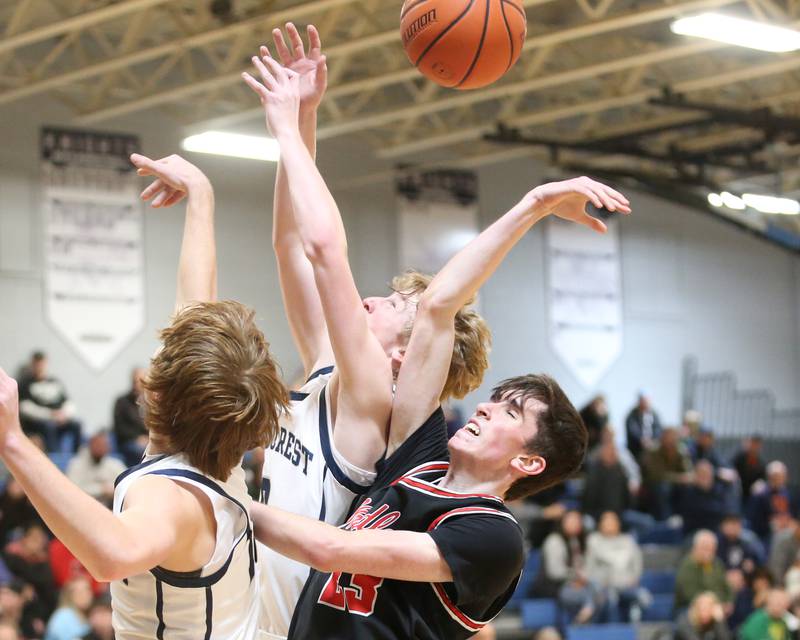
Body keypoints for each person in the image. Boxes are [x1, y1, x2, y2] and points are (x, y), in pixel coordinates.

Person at [243, 25, 628, 639]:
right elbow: (428, 301)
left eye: (510, 413)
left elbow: (333, 551)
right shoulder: (413, 462)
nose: (486, 410)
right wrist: (534, 202)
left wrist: (224, 504)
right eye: (498, 399)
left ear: (528, 459)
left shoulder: (490, 532)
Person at [246, 25, 492, 639]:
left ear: (404, 355)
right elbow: (292, 246)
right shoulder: (334, 362)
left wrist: (282, 127)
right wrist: (305, 118)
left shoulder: (371, 400)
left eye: (390, 304)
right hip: (251, 611)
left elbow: (327, 248)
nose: (371, 299)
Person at [0, 153, 289, 639]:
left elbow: (111, 554)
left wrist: (12, 442)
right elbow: (196, 311)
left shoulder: (167, 496)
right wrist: (200, 197)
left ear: (157, 394)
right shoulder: (221, 454)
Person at [586, 511, 649, 623]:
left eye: (612, 522)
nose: (610, 525)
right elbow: (589, 568)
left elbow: (637, 564)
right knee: (611, 599)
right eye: (607, 522)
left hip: (626, 585)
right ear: (600, 525)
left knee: (644, 597)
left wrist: (635, 578)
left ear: (618, 524)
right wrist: (598, 583)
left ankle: (634, 630)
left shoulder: (628, 540)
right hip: (605, 587)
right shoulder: (594, 540)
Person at [532, 510, 595, 622]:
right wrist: (576, 577)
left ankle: (586, 614)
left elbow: (584, 566)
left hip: (572, 583)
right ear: (562, 522)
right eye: (571, 520)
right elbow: (555, 572)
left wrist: (580, 579)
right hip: (552, 585)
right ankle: (585, 614)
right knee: (589, 595)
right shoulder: (554, 540)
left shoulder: (578, 541)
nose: (574, 524)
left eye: (577, 521)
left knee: (598, 589)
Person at [17, 352, 82, 453]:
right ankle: (54, 456)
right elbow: (25, 408)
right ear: (32, 364)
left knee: (77, 424)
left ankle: (76, 455)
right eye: (37, 364)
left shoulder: (55, 382)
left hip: (60, 418)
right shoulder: (25, 383)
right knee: (49, 426)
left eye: (42, 364)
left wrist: (64, 414)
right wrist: (50, 415)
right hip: (39, 423)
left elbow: (68, 402)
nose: (40, 367)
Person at [641, 427, 693, 520]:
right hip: (655, 483)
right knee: (664, 489)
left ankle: (686, 520)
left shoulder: (681, 450)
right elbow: (658, 475)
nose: (670, 441)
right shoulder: (654, 450)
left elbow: (688, 471)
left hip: (675, 483)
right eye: (668, 438)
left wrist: (686, 478)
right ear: (662, 438)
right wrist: (680, 478)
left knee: (689, 489)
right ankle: (665, 521)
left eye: (673, 438)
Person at [675, 530, 733, 612]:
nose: (708, 553)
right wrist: (713, 603)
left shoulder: (717, 563)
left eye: (711, 550)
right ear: (695, 548)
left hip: (716, 606)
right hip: (689, 609)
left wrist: (729, 602)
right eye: (705, 549)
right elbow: (691, 595)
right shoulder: (688, 565)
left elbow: (726, 587)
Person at [66, 432, 126, 507]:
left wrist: (112, 490)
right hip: (83, 506)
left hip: (111, 507)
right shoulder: (76, 464)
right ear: (90, 446)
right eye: (97, 445)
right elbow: (72, 490)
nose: (100, 448)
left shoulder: (115, 464)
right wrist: (101, 489)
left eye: (103, 445)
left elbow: (126, 486)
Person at [581, 437, 631, 522]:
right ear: (602, 453)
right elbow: (589, 497)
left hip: (620, 513)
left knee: (645, 522)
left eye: (613, 451)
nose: (611, 454)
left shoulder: (620, 471)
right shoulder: (594, 472)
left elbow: (627, 495)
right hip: (597, 514)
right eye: (608, 451)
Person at [678, 460, 729, 536]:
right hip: (695, 533)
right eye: (701, 474)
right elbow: (698, 513)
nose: (705, 478)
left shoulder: (719, 490)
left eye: (707, 474)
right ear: (696, 476)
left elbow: (725, 511)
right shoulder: (689, 492)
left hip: (717, 532)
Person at [748, 460, 796, 541]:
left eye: (780, 476)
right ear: (769, 477)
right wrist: (771, 524)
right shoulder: (761, 495)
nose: (777, 479)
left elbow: (792, 515)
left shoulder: (787, 494)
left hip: (786, 531)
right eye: (774, 477)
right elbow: (754, 521)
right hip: (765, 535)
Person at [112, 368, 148, 467]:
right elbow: (119, 427)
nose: (138, 385)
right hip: (128, 441)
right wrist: (137, 437)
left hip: (148, 440)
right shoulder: (122, 402)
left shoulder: (149, 402)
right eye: (135, 382)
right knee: (141, 451)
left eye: (141, 382)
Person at [44, 576, 93, 640]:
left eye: (87, 590)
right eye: (79, 592)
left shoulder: (86, 615)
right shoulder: (63, 615)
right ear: (69, 595)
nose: (85, 595)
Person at [625, 391, 661, 460]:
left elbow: (658, 428)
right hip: (636, 448)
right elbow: (633, 430)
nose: (646, 403)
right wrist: (642, 440)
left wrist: (653, 440)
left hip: (652, 446)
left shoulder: (653, 414)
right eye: (644, 401)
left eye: (647, 401)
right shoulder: (632, 415)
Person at [731, 435, 766, 504]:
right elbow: (729, 466)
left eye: (757, 445)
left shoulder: (760, 462)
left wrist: (760, 483)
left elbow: (763, 478)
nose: (754, 447)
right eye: (753, 443)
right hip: (736, 490)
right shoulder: (738, 457)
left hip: (751, 495)